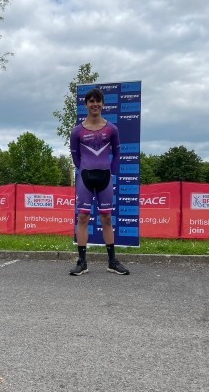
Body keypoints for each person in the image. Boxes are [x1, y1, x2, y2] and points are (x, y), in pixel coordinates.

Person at [68, 88, 130, 276]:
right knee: (83, 218)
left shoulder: (112, 129)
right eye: (91, 101)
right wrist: (84, 170)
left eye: (98, 101)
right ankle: (82, 262)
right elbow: (75, 157)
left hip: (105, 177)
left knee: (106, 218)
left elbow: (117, 153)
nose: (95, 104)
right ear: (86, 104)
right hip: (85, 177)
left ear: (103, 104)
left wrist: (110, 172)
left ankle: (112, 262)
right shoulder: (77, 131)